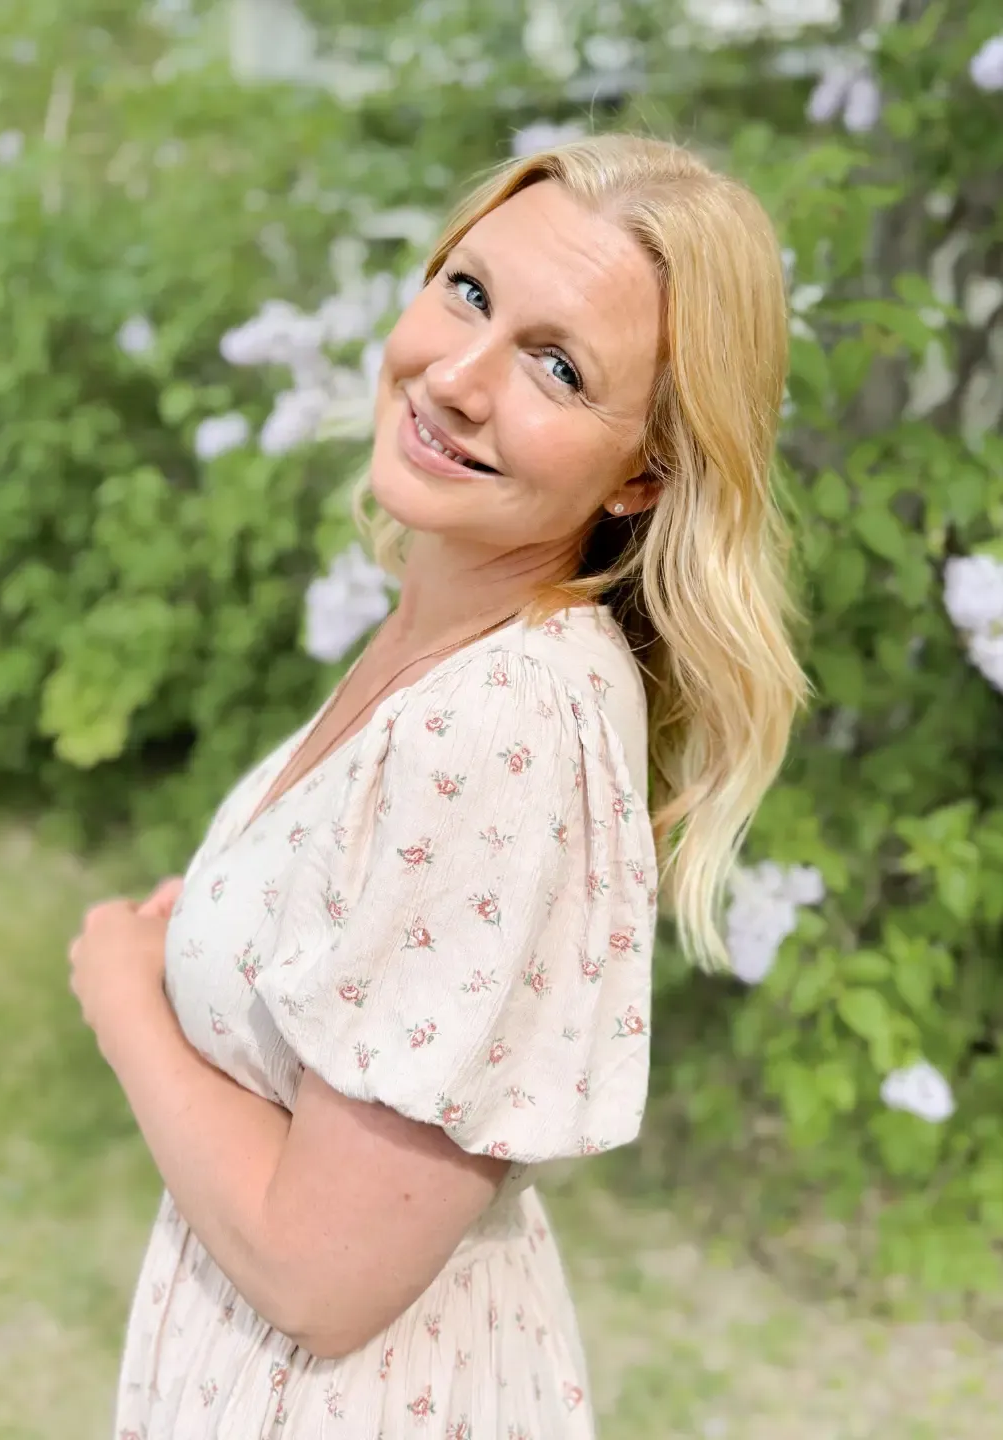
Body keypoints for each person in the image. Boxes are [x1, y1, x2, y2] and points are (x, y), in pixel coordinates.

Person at [67, 133, 808, 1439]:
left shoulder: (501, 721)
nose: (458, 378)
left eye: (558, 367)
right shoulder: (443, 632)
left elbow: (323, 1273)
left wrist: (125, 992)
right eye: (467, 292)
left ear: (643, 474)